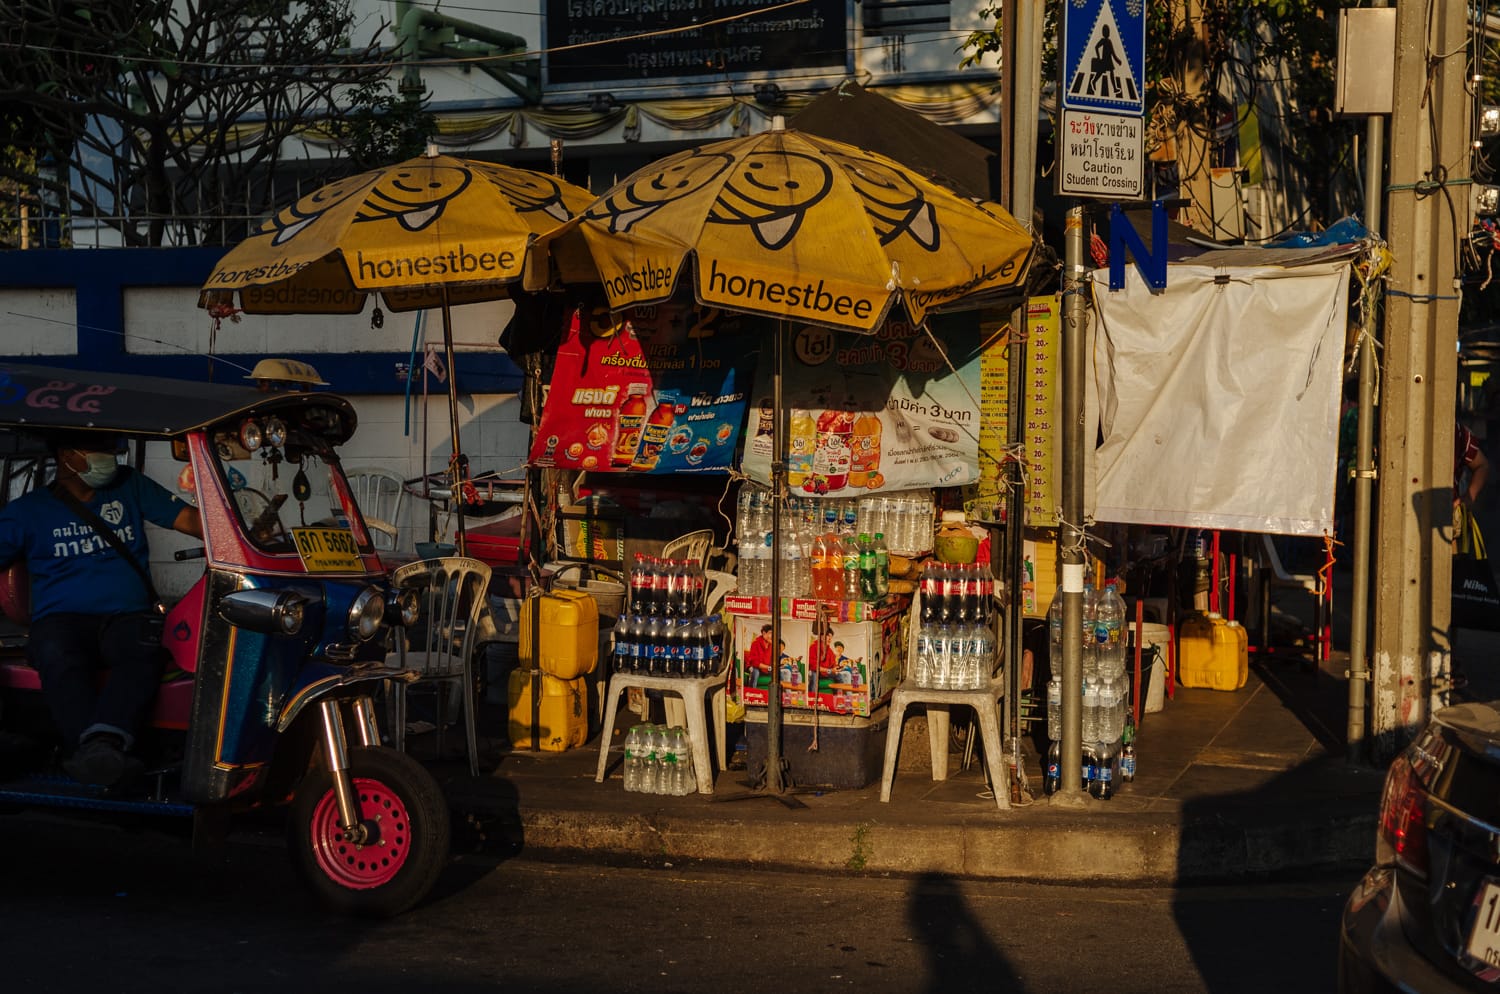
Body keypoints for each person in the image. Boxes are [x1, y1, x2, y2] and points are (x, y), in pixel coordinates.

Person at [0, 431, 202, 786]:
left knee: (145, 649)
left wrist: (239, 533)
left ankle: (100, 745)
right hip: (60, 621)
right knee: (57, 655)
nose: (110, 457)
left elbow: (189, 520)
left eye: (111, 449)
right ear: (68, 456)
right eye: (100, 450)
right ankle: (98, 752)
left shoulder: (130, 486)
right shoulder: (26, 512)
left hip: (127, 617)